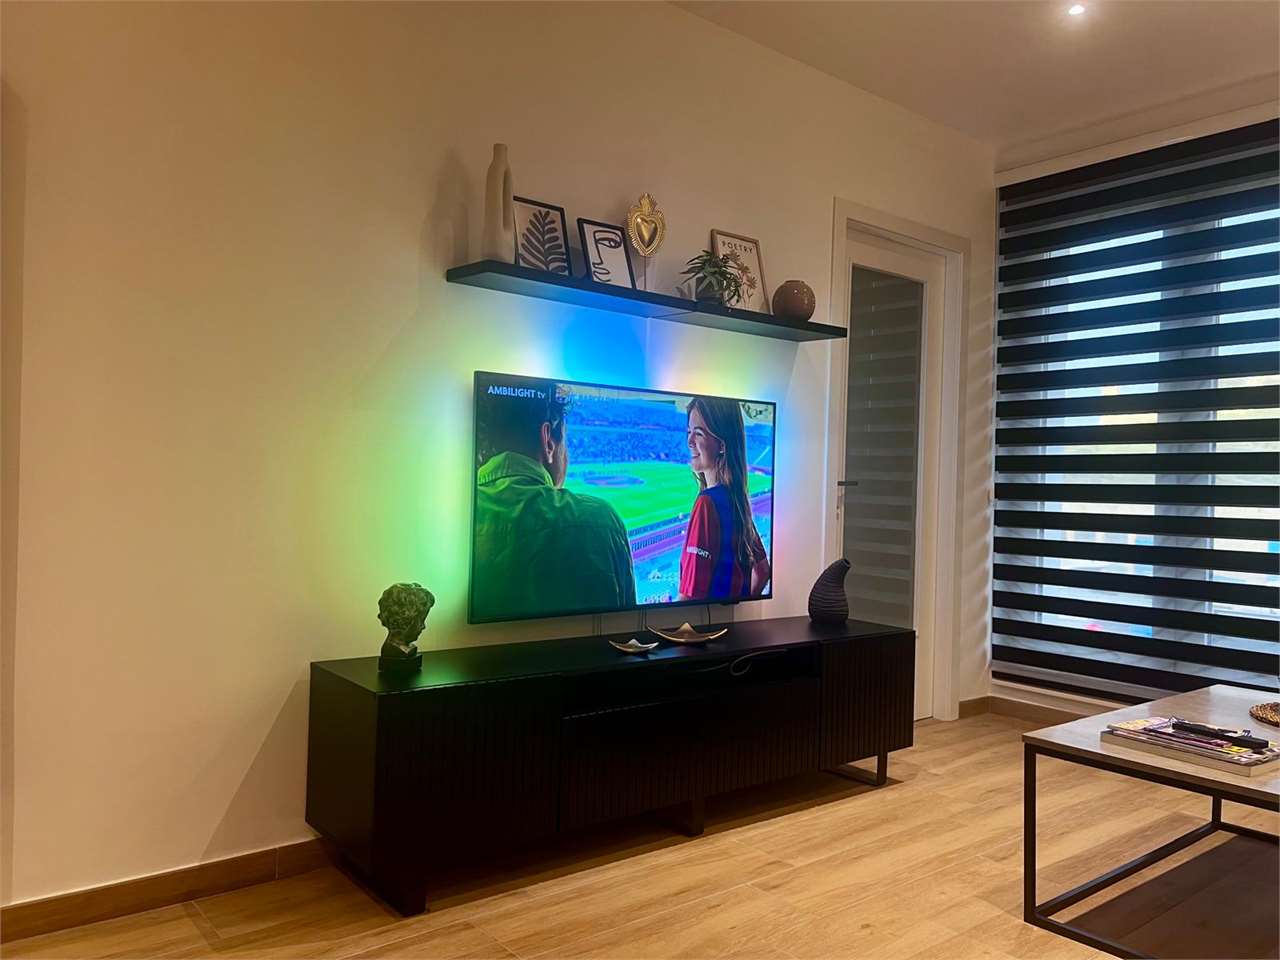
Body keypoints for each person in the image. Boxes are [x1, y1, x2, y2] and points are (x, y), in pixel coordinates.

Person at [472, 378, 636, 621]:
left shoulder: (452, 516)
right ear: (547, 439)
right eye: (565, 441)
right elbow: (628, 629)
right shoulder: (601, 521)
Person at [677, 397, 771, 601]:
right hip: (734, 620)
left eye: (698, 433)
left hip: (703, 622)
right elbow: (763, 571)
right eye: (689, 432)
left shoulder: (707, 504)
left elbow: (689, 598)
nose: (689, 441)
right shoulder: (737, 503)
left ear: (721, 445)